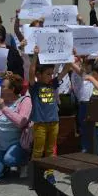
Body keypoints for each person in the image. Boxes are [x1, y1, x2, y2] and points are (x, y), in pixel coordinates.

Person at [29, 46, 73, 185]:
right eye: (48, 74)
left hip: (54, 122)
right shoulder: (35, 87)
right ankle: (35, 175)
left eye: (51, 73)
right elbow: (31, 72)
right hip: (40, 123)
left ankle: (49, 173)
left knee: (50, 150)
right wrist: (35, 56)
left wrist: (70, 54)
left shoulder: (53, 84)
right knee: (38, 150)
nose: (51, 76)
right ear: (39, 75)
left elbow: (66, 69)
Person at [0, 74, 31, 181]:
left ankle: (24, 162)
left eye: (2, 87)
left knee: (10, 159)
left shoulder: (25, 101)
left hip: (18, 144)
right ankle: (4, 166)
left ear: (12, 89)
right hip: (1, 148)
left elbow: (21, 122)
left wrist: (3, 108)